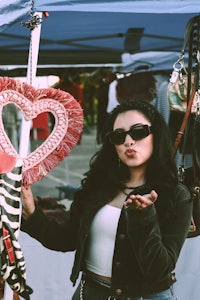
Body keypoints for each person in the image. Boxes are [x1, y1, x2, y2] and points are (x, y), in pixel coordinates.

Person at [21, 99, 192, 300]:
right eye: (119, 136)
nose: (129, 141)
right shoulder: (97, 186)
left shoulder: (175, 195)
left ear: (157, 136)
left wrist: (143, 218)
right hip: (90, 293)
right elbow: (65, 239)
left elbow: (159, 271)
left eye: (138, 132)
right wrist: (32, 214)